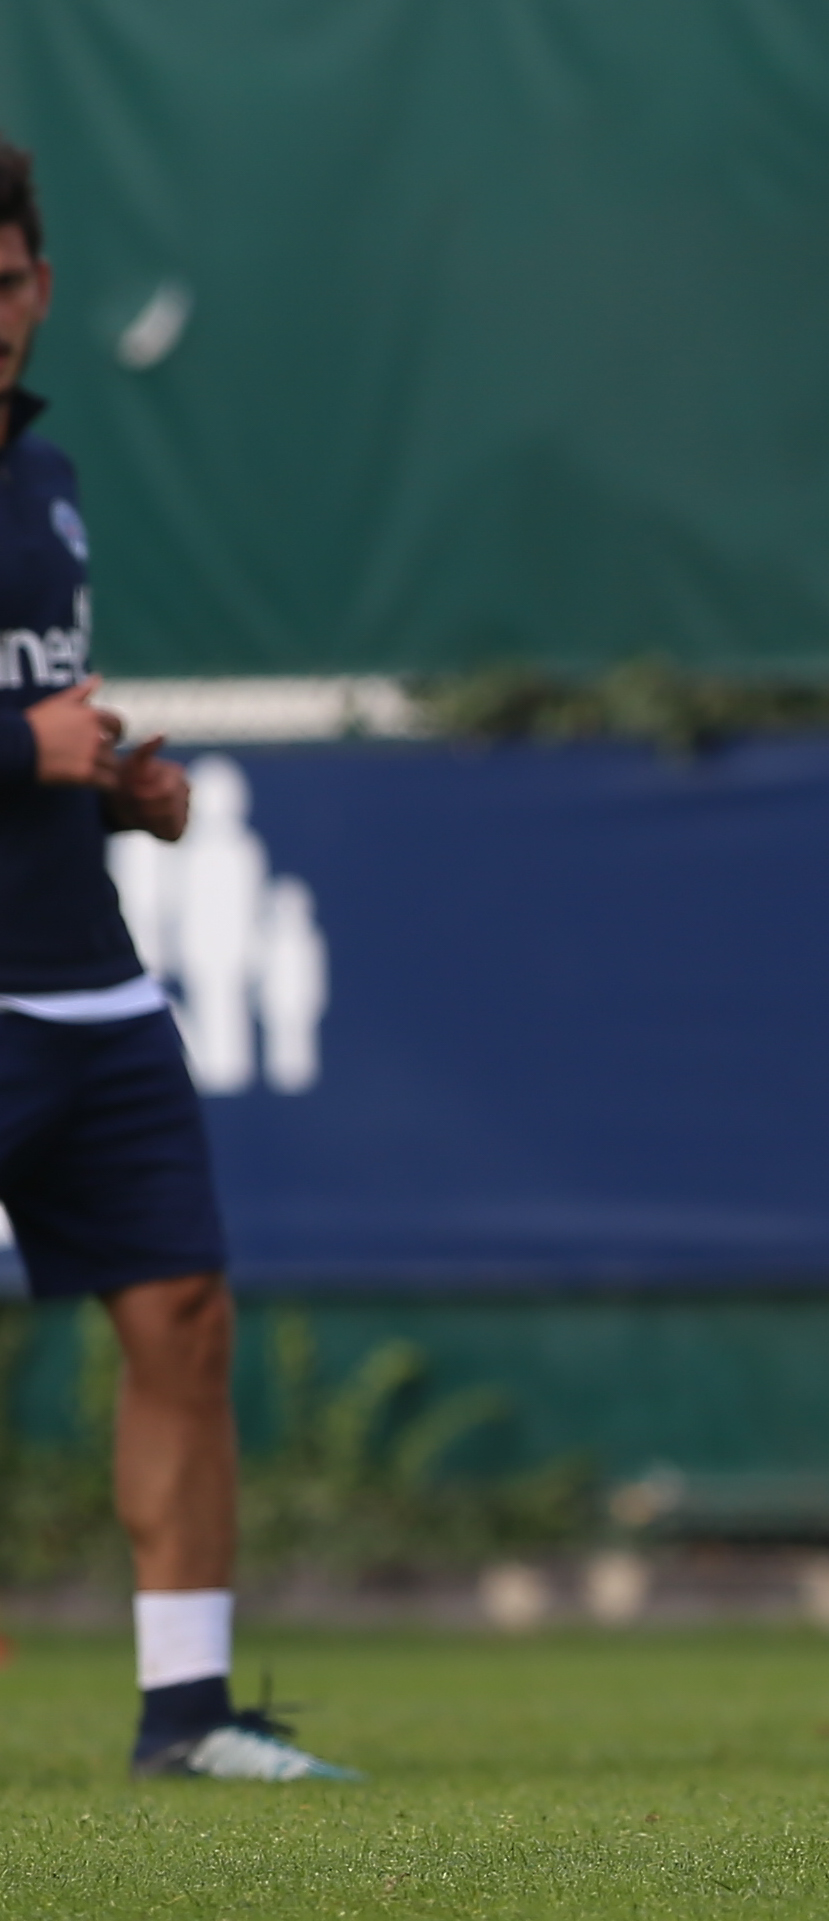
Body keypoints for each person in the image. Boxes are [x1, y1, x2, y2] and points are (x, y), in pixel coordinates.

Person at [0, 136, 350, 1781]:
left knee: (186, 1316)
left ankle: (188, 1712)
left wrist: (116, 785)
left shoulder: (48, 478)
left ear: (41, 286)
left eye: (4, 283)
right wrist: (25, 748)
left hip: (91, 977)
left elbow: (43, 720)